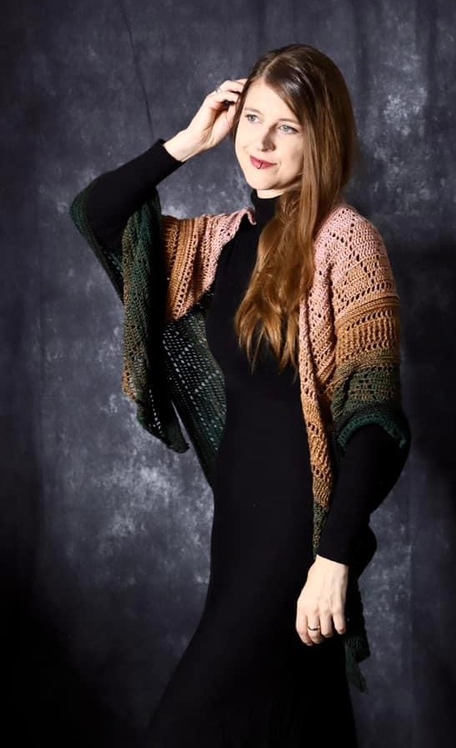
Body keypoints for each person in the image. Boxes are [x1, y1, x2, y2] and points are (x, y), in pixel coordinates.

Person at [70, 43, 411, 747]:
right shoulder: (223, 243)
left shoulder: (346, 244)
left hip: (298, 540)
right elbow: (98, 216)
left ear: (321, 138)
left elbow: (373, 419)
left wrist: (333, 557)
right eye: (252, 117)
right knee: (296, 724)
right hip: (237, 531)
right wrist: (187, 142)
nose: (260, 142)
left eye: (286, 126)